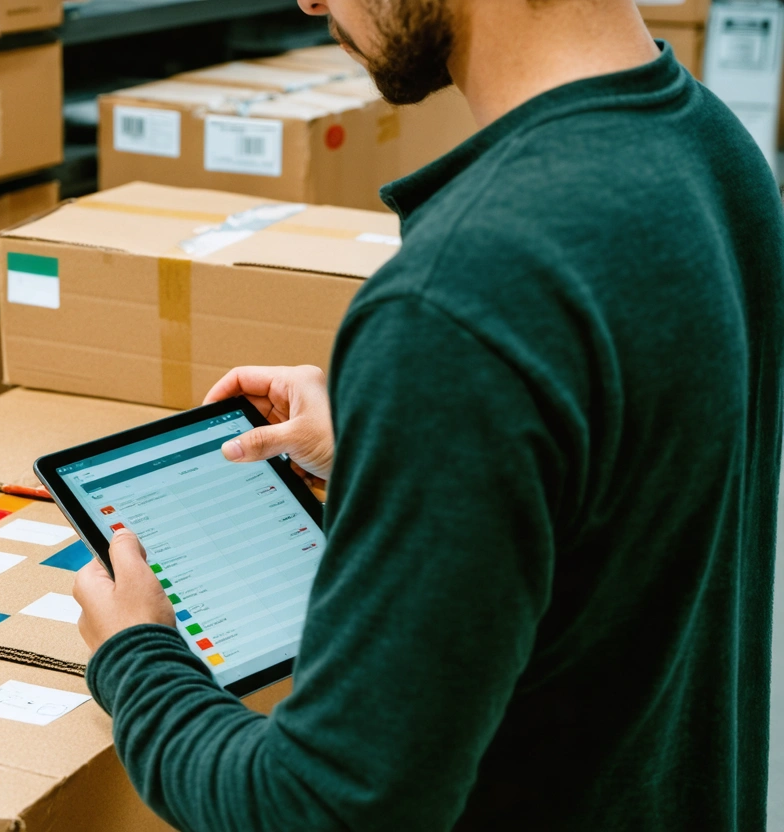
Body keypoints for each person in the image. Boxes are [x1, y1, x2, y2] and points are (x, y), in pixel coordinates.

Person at [71, 0, 784, 828]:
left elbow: (320, 810)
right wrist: (409, 446)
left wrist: (139, 658)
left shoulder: (465, 290)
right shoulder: (713, 148)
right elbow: (629, 511)